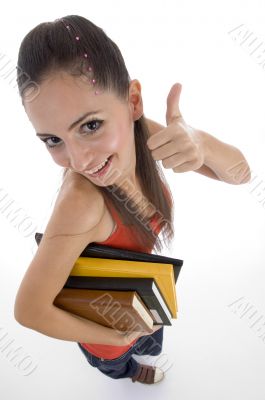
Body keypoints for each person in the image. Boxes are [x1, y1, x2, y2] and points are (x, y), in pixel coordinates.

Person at [13, 15, 251, 385]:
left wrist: (201, 144)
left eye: (90, 125)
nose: (79, 161)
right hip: (106, 329)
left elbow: (241, 175)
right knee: (117, 365)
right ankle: (129, 371)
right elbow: (29, 310)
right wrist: (114, 338)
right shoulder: (81, 204)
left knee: (151, 332)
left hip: (138, 290)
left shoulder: (142, 136)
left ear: (133, 101)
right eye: (53, 140)